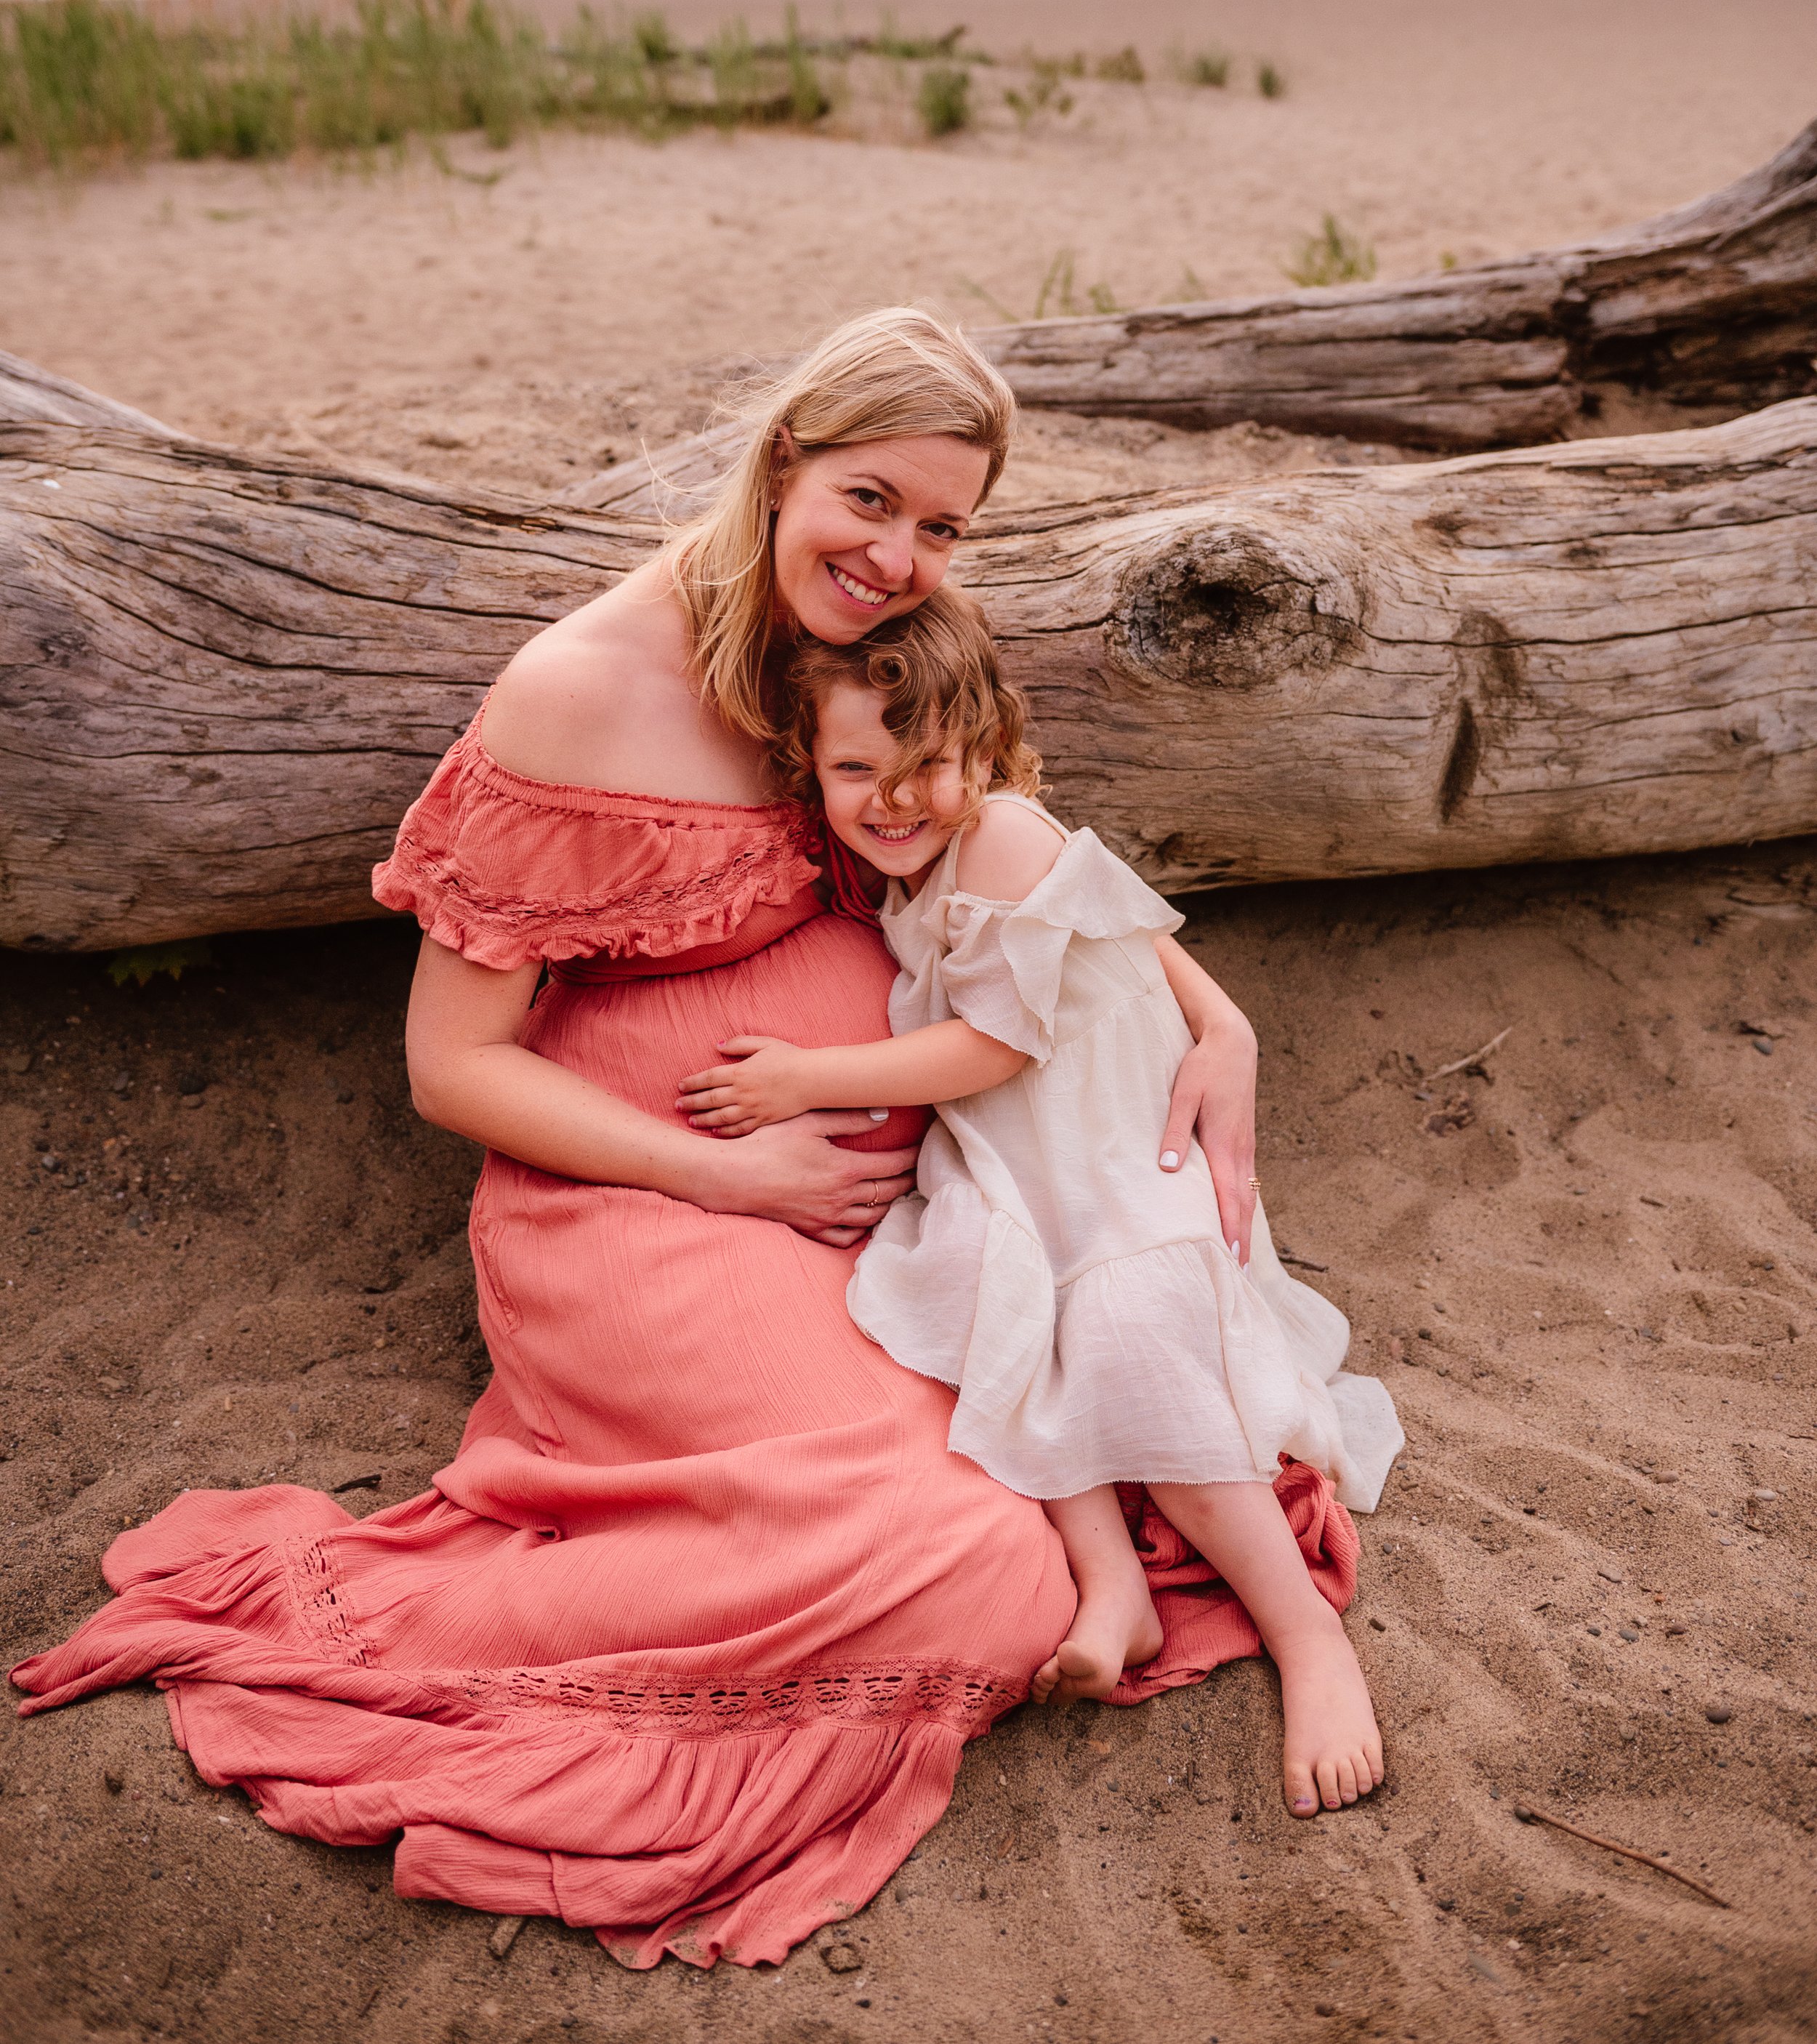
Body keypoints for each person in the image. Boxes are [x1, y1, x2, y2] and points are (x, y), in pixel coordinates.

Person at [12, 308, 1294, 1971]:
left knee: (1087, 1462)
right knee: (973, 1565)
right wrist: (730, 1169)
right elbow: (448, 1065)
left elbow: (1015, 836)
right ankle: (410, 1647)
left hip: (879, 1197)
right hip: (637, 1189)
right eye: (867, 498)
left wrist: (1218, 1015)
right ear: (781, 465)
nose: (898, 553)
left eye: (941, 524)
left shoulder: (869, 644)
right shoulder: (577, 692)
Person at [678, 587, 1404, 1816]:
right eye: (858, 768)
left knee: (1127, 1341)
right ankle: (1108, 1580)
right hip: (1021, 1162)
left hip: (1117, 1151)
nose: (893, 799)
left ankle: (1307, 1634)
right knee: (984, 1303)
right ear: (812, 762)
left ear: (986, 753)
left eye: (929, 766)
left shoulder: (1005, 833)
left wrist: (808, 1077)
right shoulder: (901, 862)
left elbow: (998, 1044)